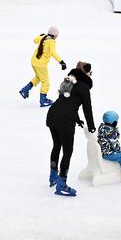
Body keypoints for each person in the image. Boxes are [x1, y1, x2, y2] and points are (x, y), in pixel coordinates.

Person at [45, 61, 94, 197]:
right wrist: (91, 127)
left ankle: (53, 176)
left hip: (53, 114)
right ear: (87, 73)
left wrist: (77, 119)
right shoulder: (84, 86)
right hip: (65, 120)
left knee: (56, 145)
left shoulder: (70, 82)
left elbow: (67, 102)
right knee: (67, 151)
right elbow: (87, 108)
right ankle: (62, 184)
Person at [19, 27, 64, 106]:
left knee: (38, 78)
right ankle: (43, 100)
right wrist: (61, 62)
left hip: (34, 61)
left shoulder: (44, 37)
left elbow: (34, 40)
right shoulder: (51, 42)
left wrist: (40, 35)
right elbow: (53, 53)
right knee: (45, 82)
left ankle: (25, 90)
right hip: (41, 64)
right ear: (54, 35)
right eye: (57, 35)